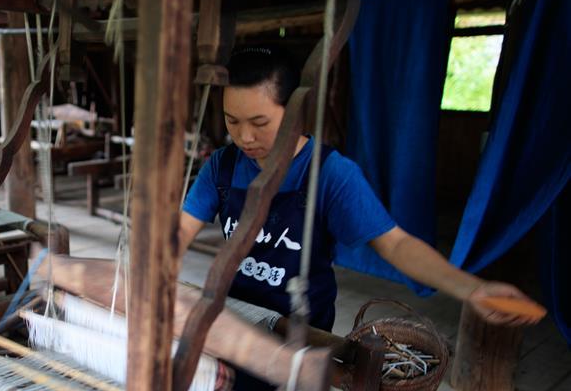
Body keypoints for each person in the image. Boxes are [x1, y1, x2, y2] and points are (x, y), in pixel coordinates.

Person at [178, 46, 541, 332]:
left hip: (299, 326)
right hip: (235, 314)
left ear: (295, 111)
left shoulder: (331, 174)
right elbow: (181, 231)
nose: (244, 136)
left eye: (259, 122)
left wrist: (471, 289)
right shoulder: (222, 166)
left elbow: (396, 244)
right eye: (232, 121)